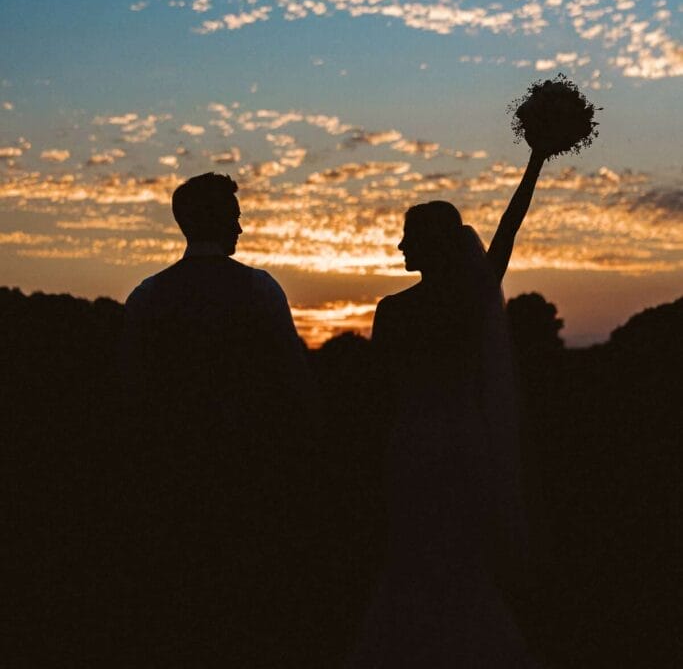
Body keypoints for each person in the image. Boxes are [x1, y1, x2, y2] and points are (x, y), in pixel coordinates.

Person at [349, 151, 547, 668]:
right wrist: (536, 160)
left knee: (414, 559)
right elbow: (509, 225)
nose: (399, 245)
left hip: (412, 445)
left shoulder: (392, 311)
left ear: (430, 244)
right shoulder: (474, 297)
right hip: (466, 445)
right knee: (462, 562)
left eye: (408, 236)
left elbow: (376, 395)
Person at [118, 173, 316, 668]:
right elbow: (293, 381)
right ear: (213, 220)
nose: (241, 228)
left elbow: (130, 388)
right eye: (234, 216)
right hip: (248, 467)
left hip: (169, 470)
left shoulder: (146, 296)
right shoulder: (259, 289)